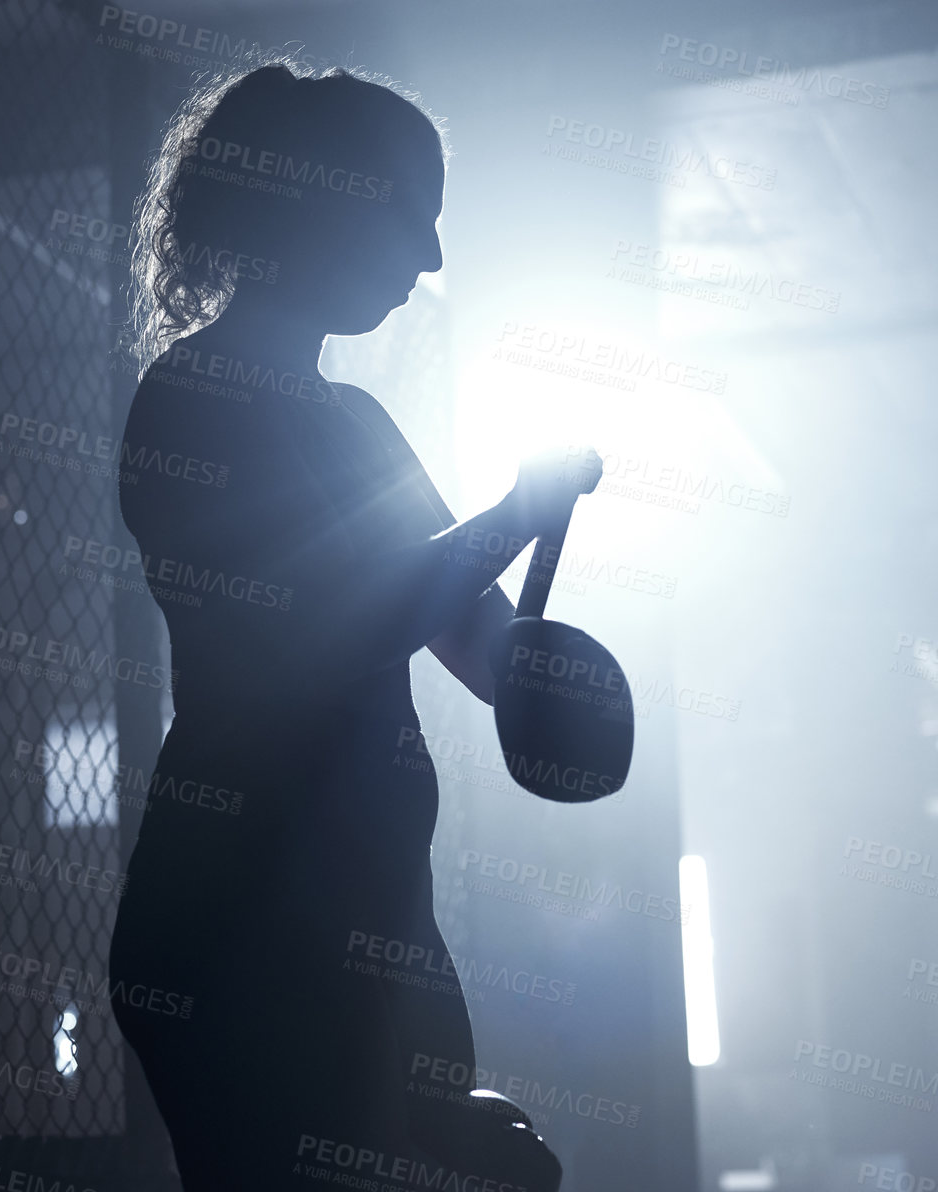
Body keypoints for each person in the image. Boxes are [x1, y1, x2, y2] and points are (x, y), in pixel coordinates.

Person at [106, 59, 595, 1191]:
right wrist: (517, 513)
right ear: (315, 198)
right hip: (247, 930)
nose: (427, 257)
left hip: (362, 915)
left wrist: (552, 679)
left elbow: (472, 641)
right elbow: (331, 629)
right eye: (407, 214)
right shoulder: (196, 402)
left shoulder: (361, 423)